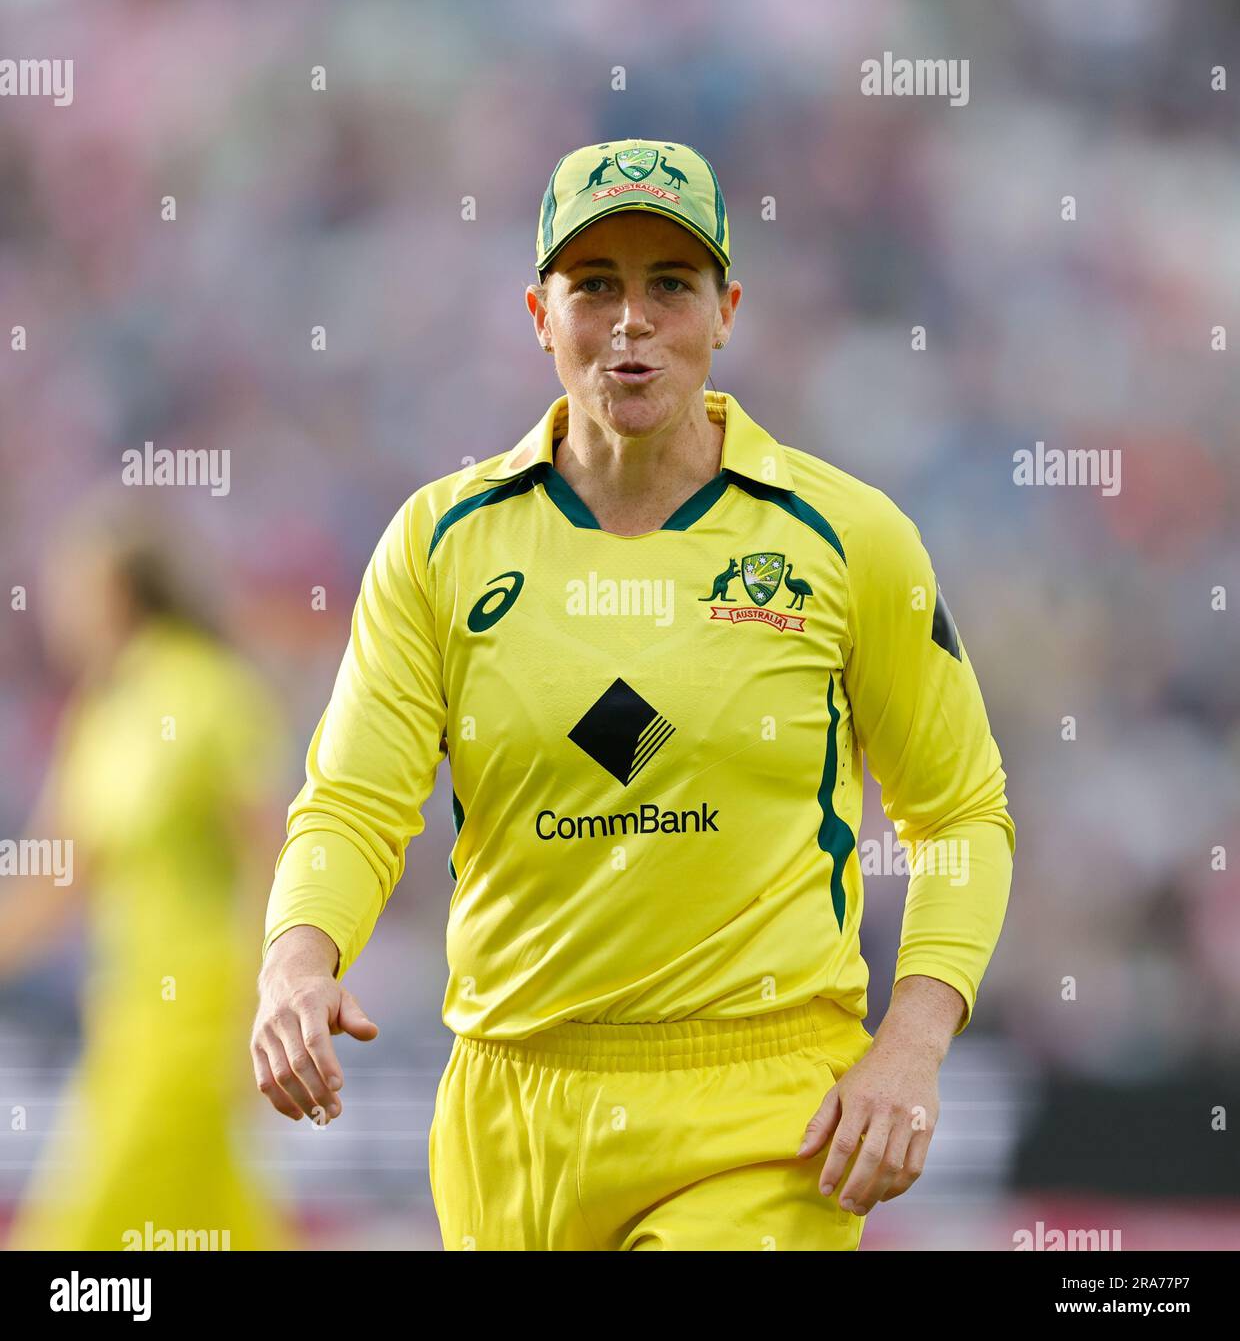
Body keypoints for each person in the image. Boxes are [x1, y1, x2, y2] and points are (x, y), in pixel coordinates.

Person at [255, 137, 1016, 1251]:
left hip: (767, 1104)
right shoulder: (439, 543)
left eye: (670, 284)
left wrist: (910, 1043)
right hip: (511, 1105)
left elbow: (958, 815)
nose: (630, 319)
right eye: (594, 284)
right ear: (537, 313)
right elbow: (356, 801)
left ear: (726, 311)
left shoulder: (846, 538)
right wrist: (296, 959)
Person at [2, 494, 296, 1251]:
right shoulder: (100, 715)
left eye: (71, 589)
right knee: (212, 1227)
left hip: (202, 1017)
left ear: (117, 591)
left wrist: (271, 1001)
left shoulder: (209, 694)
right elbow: (58, 878)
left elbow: (273, 855)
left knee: (81, 1238)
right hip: (125, 1018)